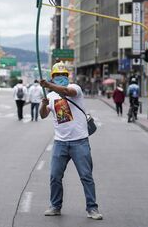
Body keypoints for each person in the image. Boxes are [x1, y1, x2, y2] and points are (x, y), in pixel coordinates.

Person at [39, 62, 102, 220]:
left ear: (68, 77)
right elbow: (43, 115)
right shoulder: (51, 96)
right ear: (53, 77)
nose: (60, 78)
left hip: (79, 141)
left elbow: (67, 91)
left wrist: (49, 85)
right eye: (57, 76)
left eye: (63, 75)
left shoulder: (76, 88)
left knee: (86, 176)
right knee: (55, 176)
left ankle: (92, 208)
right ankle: (55, 206)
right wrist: (43, 104)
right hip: (60, 143)